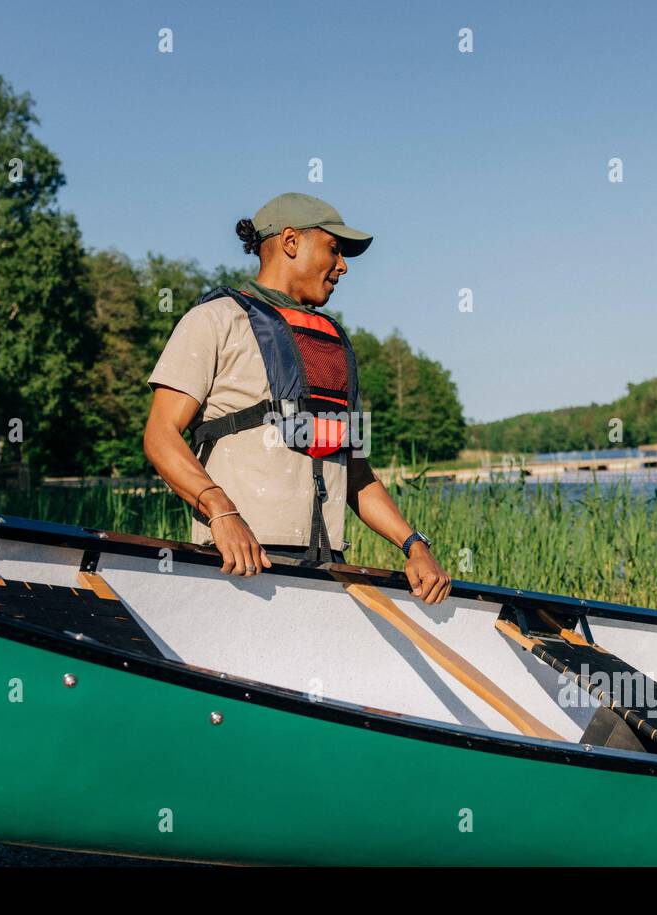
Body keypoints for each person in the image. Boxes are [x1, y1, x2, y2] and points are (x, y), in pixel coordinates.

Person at [144, 192, 452, 605]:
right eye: (334, 248)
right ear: (290, 241)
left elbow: (356, 470)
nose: (342, 266)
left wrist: (414, 545)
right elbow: (160, 435)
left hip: (326, 569)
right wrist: (221, 511)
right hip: (240, 561)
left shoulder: (333, 343)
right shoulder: (214, 320)